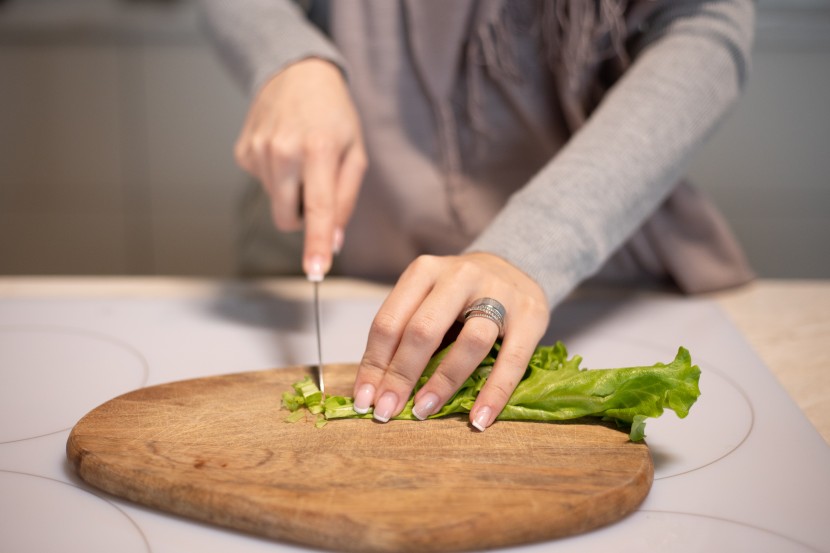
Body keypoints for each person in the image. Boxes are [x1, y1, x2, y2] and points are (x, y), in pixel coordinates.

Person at [198, 0, 754, 430]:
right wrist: (288, 58)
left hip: (594, 279)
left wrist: (537, 244)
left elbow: (701, 25)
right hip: (342, 263)